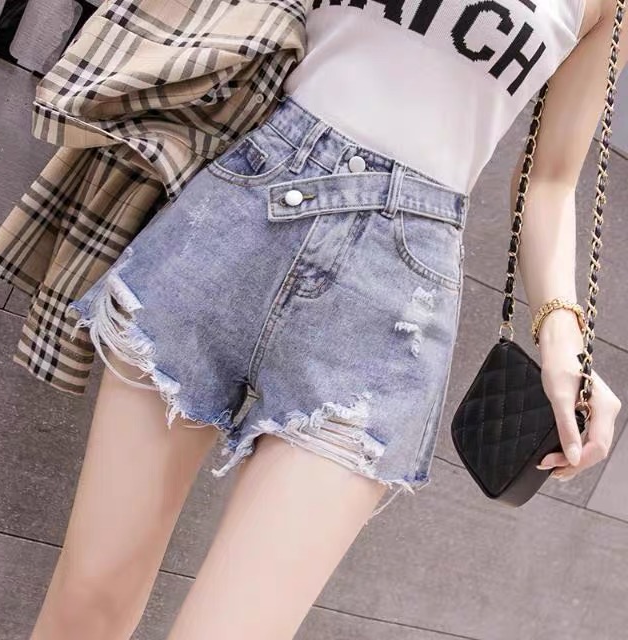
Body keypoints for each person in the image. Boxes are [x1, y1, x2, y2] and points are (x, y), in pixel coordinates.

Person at [30, 1, 623, 639]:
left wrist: (562, 332)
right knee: (88, 602)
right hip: (238, 212)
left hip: (392, 300)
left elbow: (551, 180)